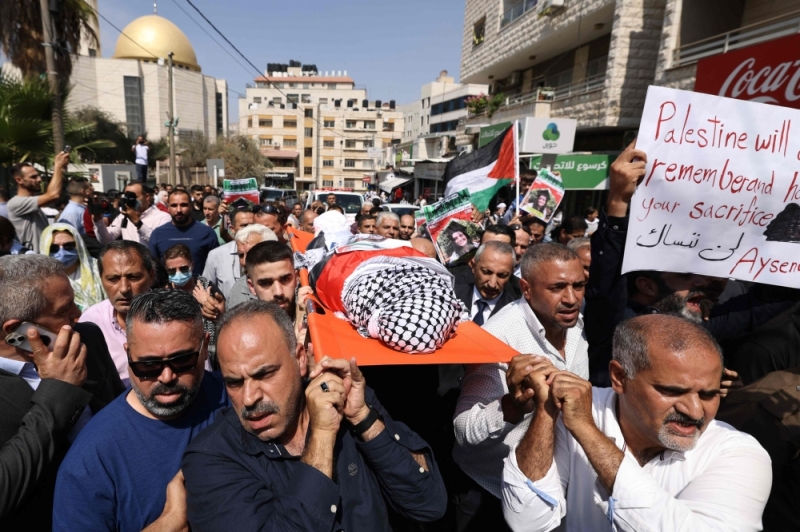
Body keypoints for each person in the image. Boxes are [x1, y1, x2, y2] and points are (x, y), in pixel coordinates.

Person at [181, 300, 448, 530]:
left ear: (299, 360)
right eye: (234, 382)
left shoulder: (346, 402)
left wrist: (363, 419)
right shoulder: (212, 458)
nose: (249, 398)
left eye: (265, 374)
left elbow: (429, 504)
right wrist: (321, 435)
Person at [502, 315, 771, 532]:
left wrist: (587, 432)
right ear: (619, 377)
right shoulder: (574, 412)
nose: (695, 410)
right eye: (672, 391)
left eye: (709, 394)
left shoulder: (738, 454)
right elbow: (527, 521)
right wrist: (545, 408)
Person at [585, 140, 796, 386]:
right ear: (646, 285)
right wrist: (618, 201)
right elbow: (606, 282)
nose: (700, 282)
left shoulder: (696, 326)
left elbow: (769, 299)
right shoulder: (615, 326)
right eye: (684, 276)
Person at [53, 290, 229, 532]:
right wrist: (167, 524)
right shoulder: (90, 462)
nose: (166, 376)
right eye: (148, 365)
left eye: (182, 360)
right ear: (128, 354)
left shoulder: (238, 396)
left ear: (205, 346)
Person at [452, 244, 588, 529]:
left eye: (578, 286)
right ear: (526, 288)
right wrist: (512, 407)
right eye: (557, 287)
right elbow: (464, 431)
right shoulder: (497, 338)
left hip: (554, 491)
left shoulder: (577, 324)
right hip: (493, 495)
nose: (571, 298)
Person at [0, 255, 123, 530]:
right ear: (16, 330)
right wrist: (59, 391)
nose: (78, 314)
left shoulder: (87, 337)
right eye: (64, 311)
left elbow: (118, 410)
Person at [80, 241, 155, 387]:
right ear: (101, 279)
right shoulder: (91, 321)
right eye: (113, 279)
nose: (124, 288)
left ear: (151, 276)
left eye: (133, 277)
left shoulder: (175, 317)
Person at [7, 152, 68, 252]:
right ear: (19, 180)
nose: (39, 179)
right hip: (29, 259)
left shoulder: (34, 204)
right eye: (33, 177)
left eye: (38, 176)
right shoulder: (15, 203)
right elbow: (53, 195)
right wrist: (58, 166)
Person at [149, 190, 219, 277]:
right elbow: (154, 269)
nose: (179, 210)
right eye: (174, 205)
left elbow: (217, 266)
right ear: (168, 207)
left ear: (191, 206)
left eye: (183, 205)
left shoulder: (207, 232)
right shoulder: (157, 234)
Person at [163, 243, 220, 346]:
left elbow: (222, 319)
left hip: (208, 346)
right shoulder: (163, 295)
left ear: (192, 265)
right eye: (172, 271)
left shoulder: (208, 288)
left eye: (183, 269)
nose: (178, 273)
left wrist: (208, 303)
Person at [40, 224, 105, 311]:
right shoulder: (40, 280)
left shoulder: (99, 268)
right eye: (54, 248)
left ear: (79, 245)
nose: (62, 252)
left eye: (69, 245)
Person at [454, 241, 517, 327]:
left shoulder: (515, 313)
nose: (492, 284)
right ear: (473, 266)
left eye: (502, 275)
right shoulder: (452, 296)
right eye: (486, 272)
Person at [93, 182, 172, 246]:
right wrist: (98, 220)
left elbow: (160, 242)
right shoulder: (123, 216)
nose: (130, 200)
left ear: (147, 197)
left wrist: (138, 223)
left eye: (134, 197)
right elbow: (106, 240)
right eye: (127, 197)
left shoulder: (162, 217)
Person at [202, 207, 255, 299]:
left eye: (253, 225)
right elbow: (206, 288)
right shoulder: (216, 255)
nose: (249, 230)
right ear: (232, 229)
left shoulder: (266, 252)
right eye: (244, 226)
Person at [225, 224, 279, 309]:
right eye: (241, 255)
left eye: (251, 253)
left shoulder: (292, 284)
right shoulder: (238, 289)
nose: (244, 262)